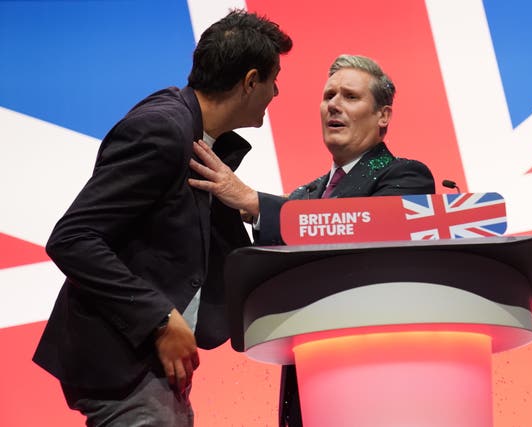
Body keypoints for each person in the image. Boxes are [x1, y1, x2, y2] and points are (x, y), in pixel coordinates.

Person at [32, 10, 292, 427]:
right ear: (249, 81)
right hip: (121, 362)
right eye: (273, 79)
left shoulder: (197, 134)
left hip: (147, 364)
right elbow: (73, 238)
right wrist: (159, 319)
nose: (277, 92)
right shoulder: (163, 130)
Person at [188, 54, 435, 427]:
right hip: (307, 376)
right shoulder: (306, 194)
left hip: (375, 378)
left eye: (350, 97)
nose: (334, 104)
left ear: (383, 115)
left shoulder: (406, 176)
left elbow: (361, 227)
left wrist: (256, 203)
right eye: (328, 95)